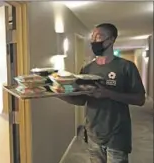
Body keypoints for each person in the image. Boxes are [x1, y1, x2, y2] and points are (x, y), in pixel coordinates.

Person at [59, 23, 146, 163]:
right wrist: (60, 93)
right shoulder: (87, 69)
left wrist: (108, 94)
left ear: (111, 40)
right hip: (93, 132)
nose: (93, 41)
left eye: (98, 36)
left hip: (117, 134)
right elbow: (81, 100)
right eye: (92, 37)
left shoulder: (126, 67)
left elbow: (140, 99)